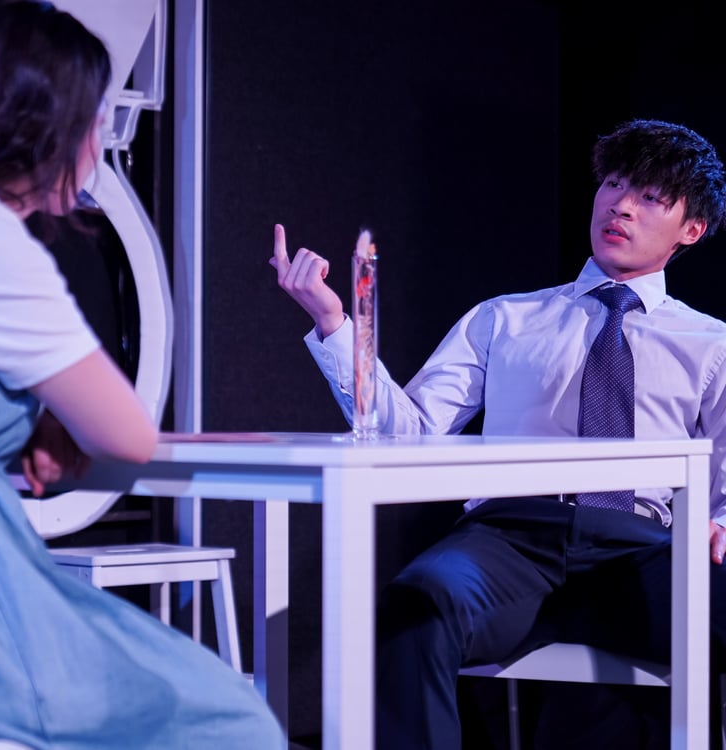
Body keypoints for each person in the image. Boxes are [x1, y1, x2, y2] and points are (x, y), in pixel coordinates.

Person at [271, 117, 726, 749]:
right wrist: (335, 325)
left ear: (691, 229)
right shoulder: (505, 318)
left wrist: (719, 524)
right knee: (414, 611)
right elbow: (408, 433)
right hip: (511, 538)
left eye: (650, 197)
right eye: (614, 185)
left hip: (639, 547)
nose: (621, 206)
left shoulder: (710, 342)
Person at [0, 1, 284, 748]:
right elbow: (127, 436)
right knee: (229, 721)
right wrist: (54, 419)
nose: (102, 134)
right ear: (44, 125)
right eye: (95, 114)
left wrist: (34, 421)